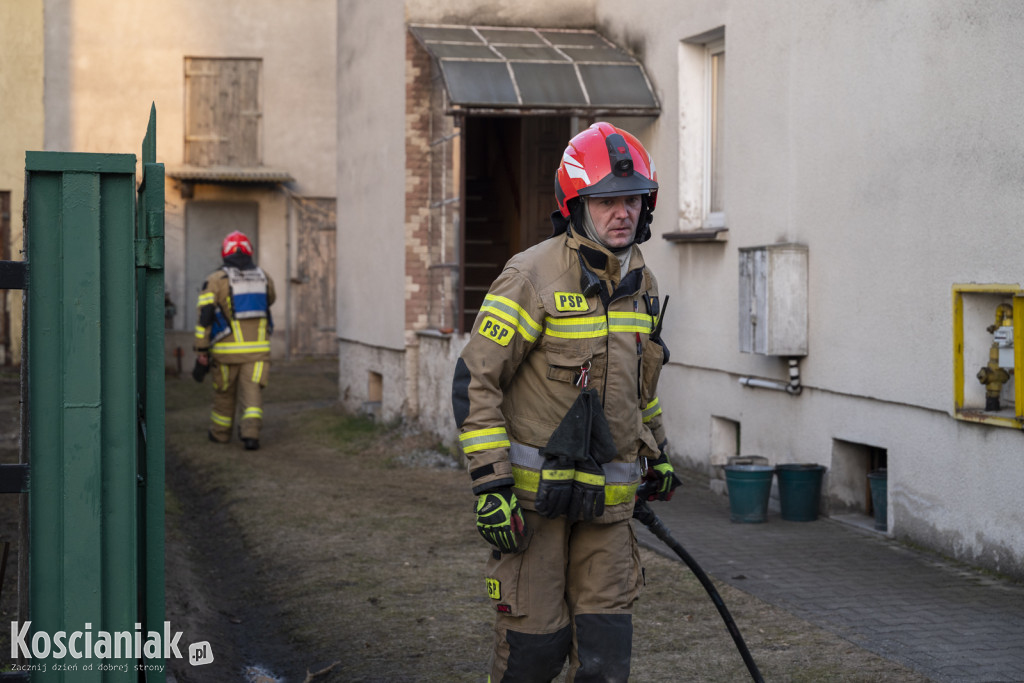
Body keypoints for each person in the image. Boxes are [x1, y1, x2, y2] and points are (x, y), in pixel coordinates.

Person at [451, 122, 679, 681]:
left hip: (608, 513)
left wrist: (661, 451)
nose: (621, 211)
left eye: (631, 198)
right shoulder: (530, 277)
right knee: (534, 654)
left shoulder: (643, 284)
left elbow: (639, 387)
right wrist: (490, 485)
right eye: (605, 200)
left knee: (605, 657)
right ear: (576, 204)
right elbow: (474, 382)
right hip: (534, 512)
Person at [193, 230, 276, 450]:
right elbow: (271, 300)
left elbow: (205, 316)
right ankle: (251, 436)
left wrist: (201, 349)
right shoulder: (264, 277)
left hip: (225, 353)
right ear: (250, 251)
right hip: (258, 353)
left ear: (224, 253)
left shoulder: (215, 280)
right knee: (252, 396)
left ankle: (220, 434)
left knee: (224, 394)